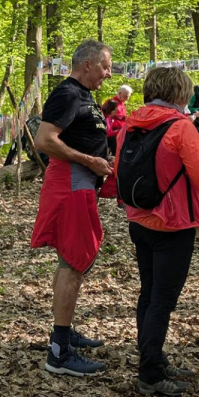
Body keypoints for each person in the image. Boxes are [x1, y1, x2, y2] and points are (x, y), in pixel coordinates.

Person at [116, 67, 199, 396]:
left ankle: (154, 358)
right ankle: (149, 373)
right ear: (181, 93)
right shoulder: (181, 128)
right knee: (162, 300)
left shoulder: (129, 125)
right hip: (173, 224)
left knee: (149, 294)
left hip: (139, 219)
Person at [30, 39, 114, 377]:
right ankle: (59, 352)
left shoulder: (84, 96)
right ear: (88, 64)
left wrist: (99, 159)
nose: (108, 74)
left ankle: (62, 331)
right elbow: (45, 140)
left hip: (81, 182)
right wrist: (89, 160)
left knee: (72, 260)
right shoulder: (67, 93)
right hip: (70, 183)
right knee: (73, 261)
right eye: (106, 66)